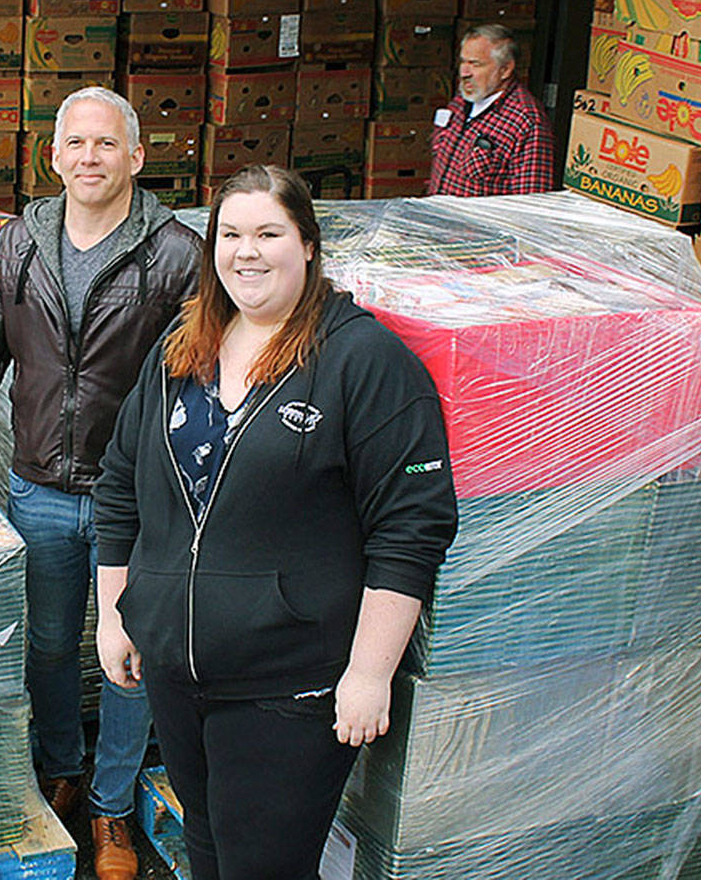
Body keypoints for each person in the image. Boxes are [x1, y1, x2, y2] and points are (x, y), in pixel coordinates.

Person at [92, 165, 458, 880]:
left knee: (262, 867)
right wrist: (115, 614)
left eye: (269, 233)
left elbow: (411, 529)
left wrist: (368, 672)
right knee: (208, 850)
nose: (246, 251)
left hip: (290, 686)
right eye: (231, 234)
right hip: (178, 670)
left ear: (310, 245)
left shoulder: (363, 361)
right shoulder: (181, 346)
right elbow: (119, 484)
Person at [0, 86, 200, 880]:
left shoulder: (173, 253)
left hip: (134, 496)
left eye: (106, 144)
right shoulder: (19, 244)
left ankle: (110, 807)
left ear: (137, 156)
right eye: (76, 144)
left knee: (125, 652)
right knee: (46, 644)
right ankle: (62, 767)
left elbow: (199, 382)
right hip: (38, 486)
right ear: (54, 155)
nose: (89, 158)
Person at [428, 23, 555, 196]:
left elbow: (530, 202)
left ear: (505, 70)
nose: (464, 72)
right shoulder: (462, 99)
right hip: (434, 215)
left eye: (475, 64)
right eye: (463, 61)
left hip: (472, 223)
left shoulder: (526, 121)